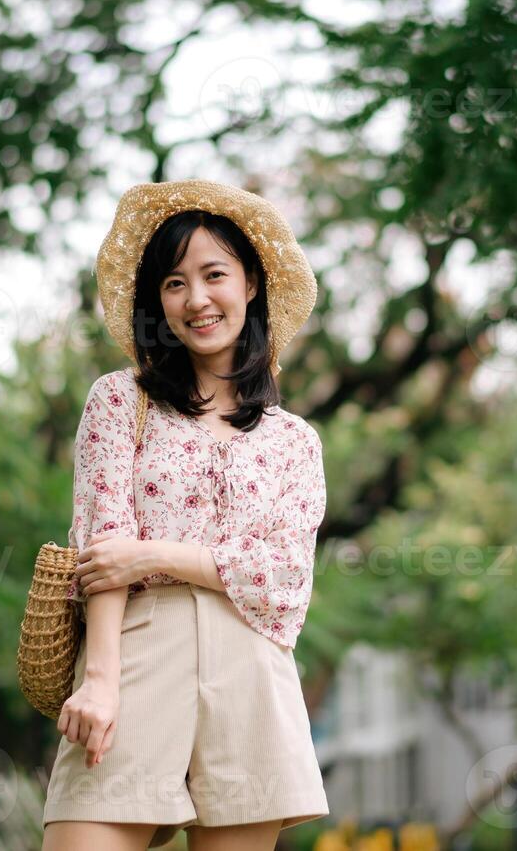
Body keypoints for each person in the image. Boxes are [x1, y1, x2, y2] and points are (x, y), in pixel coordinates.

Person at [41, 180, 330, 851]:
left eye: (213, 275)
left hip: (249, 675)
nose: (197, 299)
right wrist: (100, 682)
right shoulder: (120, 402)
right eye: (174, 283)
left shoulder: (294, 441)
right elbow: (101, 546)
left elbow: (283, 577)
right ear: (158, 302)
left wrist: (155, 556)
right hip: (137, 655)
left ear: (251, 282)